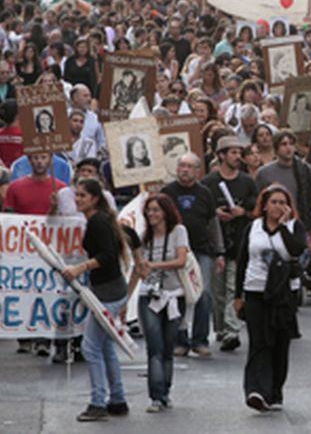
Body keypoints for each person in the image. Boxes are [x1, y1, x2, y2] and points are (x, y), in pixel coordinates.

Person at [62, 179, 131, 422]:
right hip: (109, 289)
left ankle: (98, 402)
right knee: (105, 346)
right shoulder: (98, 220)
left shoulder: (98, 222)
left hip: (108, 293)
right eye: (77, 195)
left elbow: (107, 256)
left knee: (90, 347)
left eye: (82, 195)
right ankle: (117, 398)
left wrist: (80, 268)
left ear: (93, 198)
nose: (78, 199)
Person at [234, 184, 307, 412]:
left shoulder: (295, 226)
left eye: (282, 202)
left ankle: (275, 392)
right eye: (273, 202)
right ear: (264, 205)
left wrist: (284, 227)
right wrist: (238, 295)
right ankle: (256, 390)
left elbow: (296, 250)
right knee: (259, 342)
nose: (278, 206)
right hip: (255, 290)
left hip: (284, 293)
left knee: (279, 342)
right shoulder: (253, 228)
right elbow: (242, 261)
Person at [128, 193, 188, 414]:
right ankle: (156, 395)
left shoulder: (178, 232)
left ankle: (165, 393)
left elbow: (181, 260)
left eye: (156, 210)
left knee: (167, 348)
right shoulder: (145, 237)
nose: (152, 214)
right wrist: (127, 298)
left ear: (166, 212)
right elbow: (138, 269)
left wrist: (155, 265)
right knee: (155, 347)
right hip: (149, 296)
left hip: (173, 295)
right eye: (149, 211)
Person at [160, 154, 225, 358]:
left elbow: (213, 224)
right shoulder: (167, 192)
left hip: (201, 251)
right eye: (181, 165)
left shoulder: (205, 193)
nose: (185, 169)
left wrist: (220, 251)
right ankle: (180, 340)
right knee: (177, 295)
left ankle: (200, 340)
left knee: (203, 293)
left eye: (189, 166)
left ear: (197, 170)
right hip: (174, 251)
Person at [202, 136, 258, 353]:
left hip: (239, 240)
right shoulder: (209, 183)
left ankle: (232, 330)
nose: (237, 157)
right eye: (232, 153)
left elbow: (256, 209)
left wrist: (242, 212)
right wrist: (215, 213)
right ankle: (221, 327)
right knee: (216, 289)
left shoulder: (247, 182)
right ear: (221, 155)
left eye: (238, 152)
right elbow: (203, 210)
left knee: (233, 286)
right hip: (216, 243)